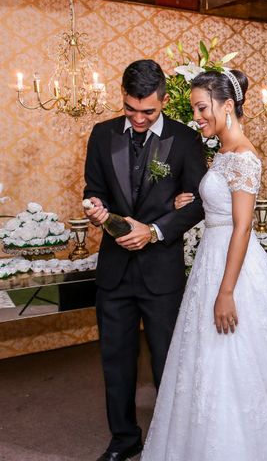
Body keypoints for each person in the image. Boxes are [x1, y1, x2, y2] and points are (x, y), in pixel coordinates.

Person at [140, 69, 267, 460]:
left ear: (227, 105)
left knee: (235, 357)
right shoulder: (223, 153)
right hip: (211, 259)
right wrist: (191, 201)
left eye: (201, 107)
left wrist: (226, 291)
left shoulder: (244, 156)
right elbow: (221, 207)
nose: (196, 117)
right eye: (194, 108)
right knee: (204, 362)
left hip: (233, 266)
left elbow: (243, 226)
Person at [83, 59, 207, 461]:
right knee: (115, 361)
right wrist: (96, 207)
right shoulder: (101, 136)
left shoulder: (186, 139)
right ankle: (124, 439)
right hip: (114, 272)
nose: (138, 118)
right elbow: (94, 188)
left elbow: (199, 203)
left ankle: (169, 438)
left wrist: (154, 230)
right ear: (122, 98)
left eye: (148, 111)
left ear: (165, 101)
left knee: (167, 359)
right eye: (130, 109)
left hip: (161, 270)